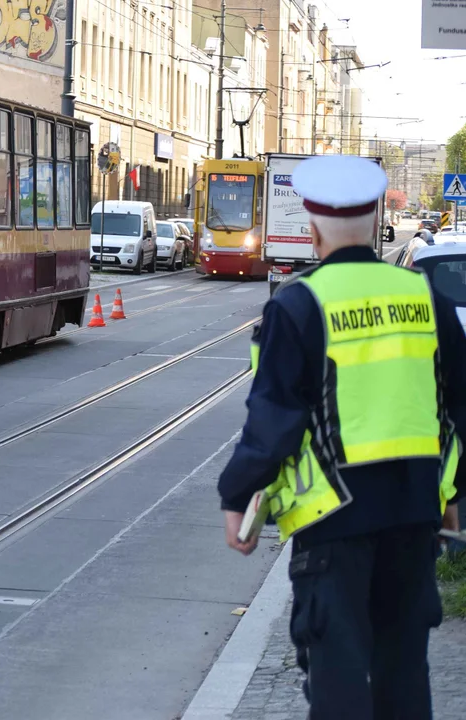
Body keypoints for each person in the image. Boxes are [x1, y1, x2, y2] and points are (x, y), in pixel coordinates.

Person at [217, 154, 466, 720]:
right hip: (412, 518)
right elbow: (458, 407)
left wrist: (238, 497)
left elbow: (274, 418)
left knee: (339, 677)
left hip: (335, 523)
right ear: (378, 214)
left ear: (310, 224)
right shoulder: (427, 296)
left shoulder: (300, 303)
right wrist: (451, 496)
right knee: (405, 673)